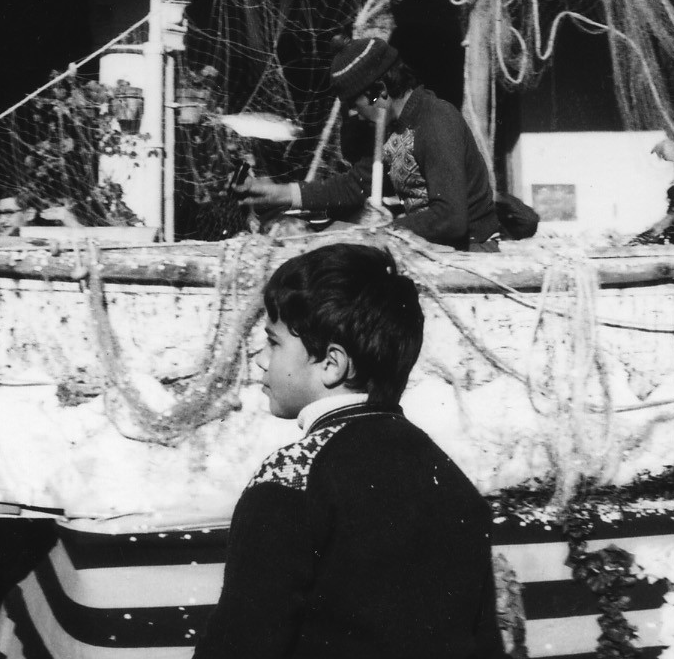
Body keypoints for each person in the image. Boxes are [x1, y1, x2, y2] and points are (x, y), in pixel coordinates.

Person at [192, 243, 504, 659]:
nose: (262, 362)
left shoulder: (292, 479)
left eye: (274, 343)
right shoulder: (450, 481)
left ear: (332, 365)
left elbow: (241, 644)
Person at [242, 37, 500, 250]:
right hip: (428, 247)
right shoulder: (393, 130)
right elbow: (355, 186)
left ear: (380, 92)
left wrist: (380, 232)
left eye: (355, 106)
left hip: (470, 252)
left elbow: (451, 218)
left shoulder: (436, 121)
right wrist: (281, 193)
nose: (355, 116)